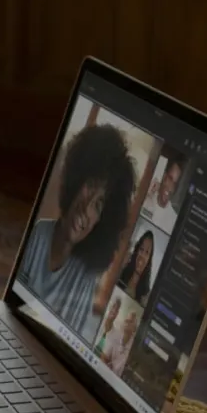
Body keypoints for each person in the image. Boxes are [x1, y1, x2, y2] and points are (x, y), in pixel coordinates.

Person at [18, 121, 137, 335]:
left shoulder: (84, 278)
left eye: (99, 204)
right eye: (90, 186)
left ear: (101, 221)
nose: (87, 207)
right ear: (77, 180)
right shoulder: (37, 235)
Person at [142, 155, 184, 233]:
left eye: (174, 184)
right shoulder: (147, 198)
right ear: (164, 177)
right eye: (170, 179)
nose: (171, 187)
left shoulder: (173, 220)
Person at [117, 229, 155, 303]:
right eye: (141, 249)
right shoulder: (122, 271)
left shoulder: (146, 293)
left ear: (149, 259)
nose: (142, 255)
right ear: (137, 250)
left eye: (147, 252)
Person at [101, 309, 141, 376]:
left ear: (135, 328)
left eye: (130, 322)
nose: (127, 323)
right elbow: (103, 357)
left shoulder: (135, 348)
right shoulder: (115, 336)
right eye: (126, 321)